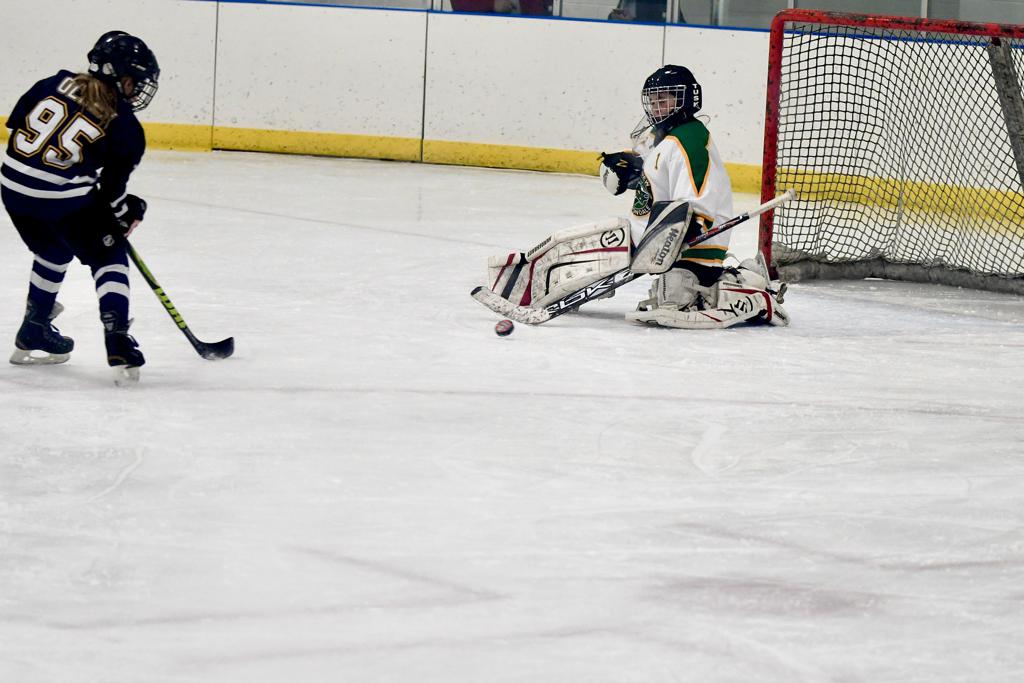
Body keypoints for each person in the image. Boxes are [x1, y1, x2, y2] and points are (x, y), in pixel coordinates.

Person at [481, 65, 788, 329]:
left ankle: (750, 291)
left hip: (691, 242)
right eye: (653, 100)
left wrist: (690, 228)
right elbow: (660, 178)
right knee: (600, 243)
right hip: (655, 234)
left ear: (686, 99)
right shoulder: (665, 137)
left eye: (665, 99)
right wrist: (635, 170)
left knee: (666, 291)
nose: (657, 106)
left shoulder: (690, 139)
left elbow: (699, 196)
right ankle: (525, 286)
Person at [2, 31, 159, 381]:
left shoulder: (53, 82)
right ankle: (117, 337)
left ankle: (35, 327)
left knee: (53, 251)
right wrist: (125, 215)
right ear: (123, 78)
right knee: (109, 256)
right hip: (60, 199)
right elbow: (112, 192)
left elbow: (17, 128)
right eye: (136, 81)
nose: (138, 89)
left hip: (12, 190)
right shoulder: (126, 126)